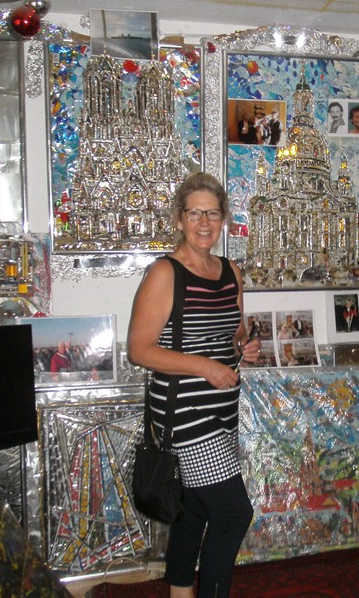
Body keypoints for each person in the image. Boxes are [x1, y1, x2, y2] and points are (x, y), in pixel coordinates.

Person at [127, 172, 261, 598]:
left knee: (195, 512)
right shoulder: (165, 273)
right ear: (180, 219)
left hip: (222, 407)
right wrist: (204, 367)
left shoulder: (231, 272)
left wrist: (246, 346)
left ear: (224, 219)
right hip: (183, 413)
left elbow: (233, 333)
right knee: (233, 515)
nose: (205, 222)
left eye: (213, 214)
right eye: (195, 213)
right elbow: (139, 349)